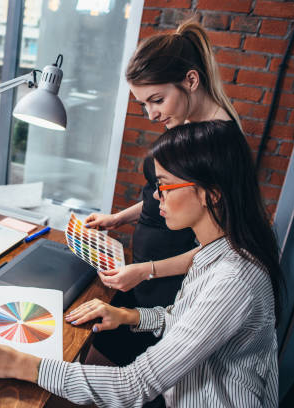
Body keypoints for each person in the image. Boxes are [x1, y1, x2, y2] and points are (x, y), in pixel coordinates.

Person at [0, 120, 283, 407]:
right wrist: (128, 315)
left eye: (165, 185)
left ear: (210, 194)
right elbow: (188, 321)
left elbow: (133, 386)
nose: (157, 197)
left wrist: (19, 364)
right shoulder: (216, 250)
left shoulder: (234, 279)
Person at [82, 19, 244, 373]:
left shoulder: (215, 144)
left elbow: (220, 247)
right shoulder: (188, 125)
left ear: (190, 80)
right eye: (143, 104)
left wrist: (147, 271)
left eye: (157, 100)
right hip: (142, 277)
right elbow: (165, 195)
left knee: (106, 375)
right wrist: (119, 218)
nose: (151, 114)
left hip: (165, 289)